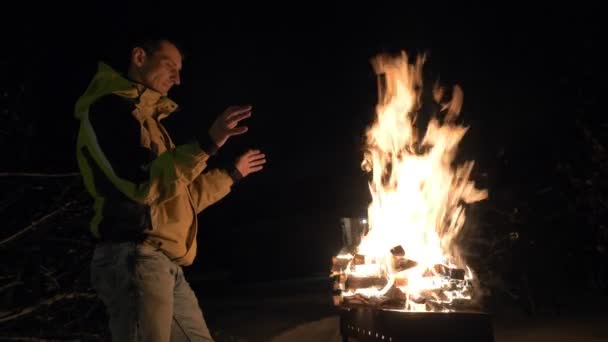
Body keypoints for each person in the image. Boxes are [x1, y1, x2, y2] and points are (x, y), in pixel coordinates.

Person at [74, 36, 266, 341]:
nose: (177, 79)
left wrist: (232, 173)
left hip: (164, 262)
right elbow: (144, 186)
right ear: (139, 57)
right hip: (135, 256)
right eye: (170, 66)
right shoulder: (108, 110)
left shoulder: (149, 122)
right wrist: (208, 143)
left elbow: (178, 197)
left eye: (180, 70)